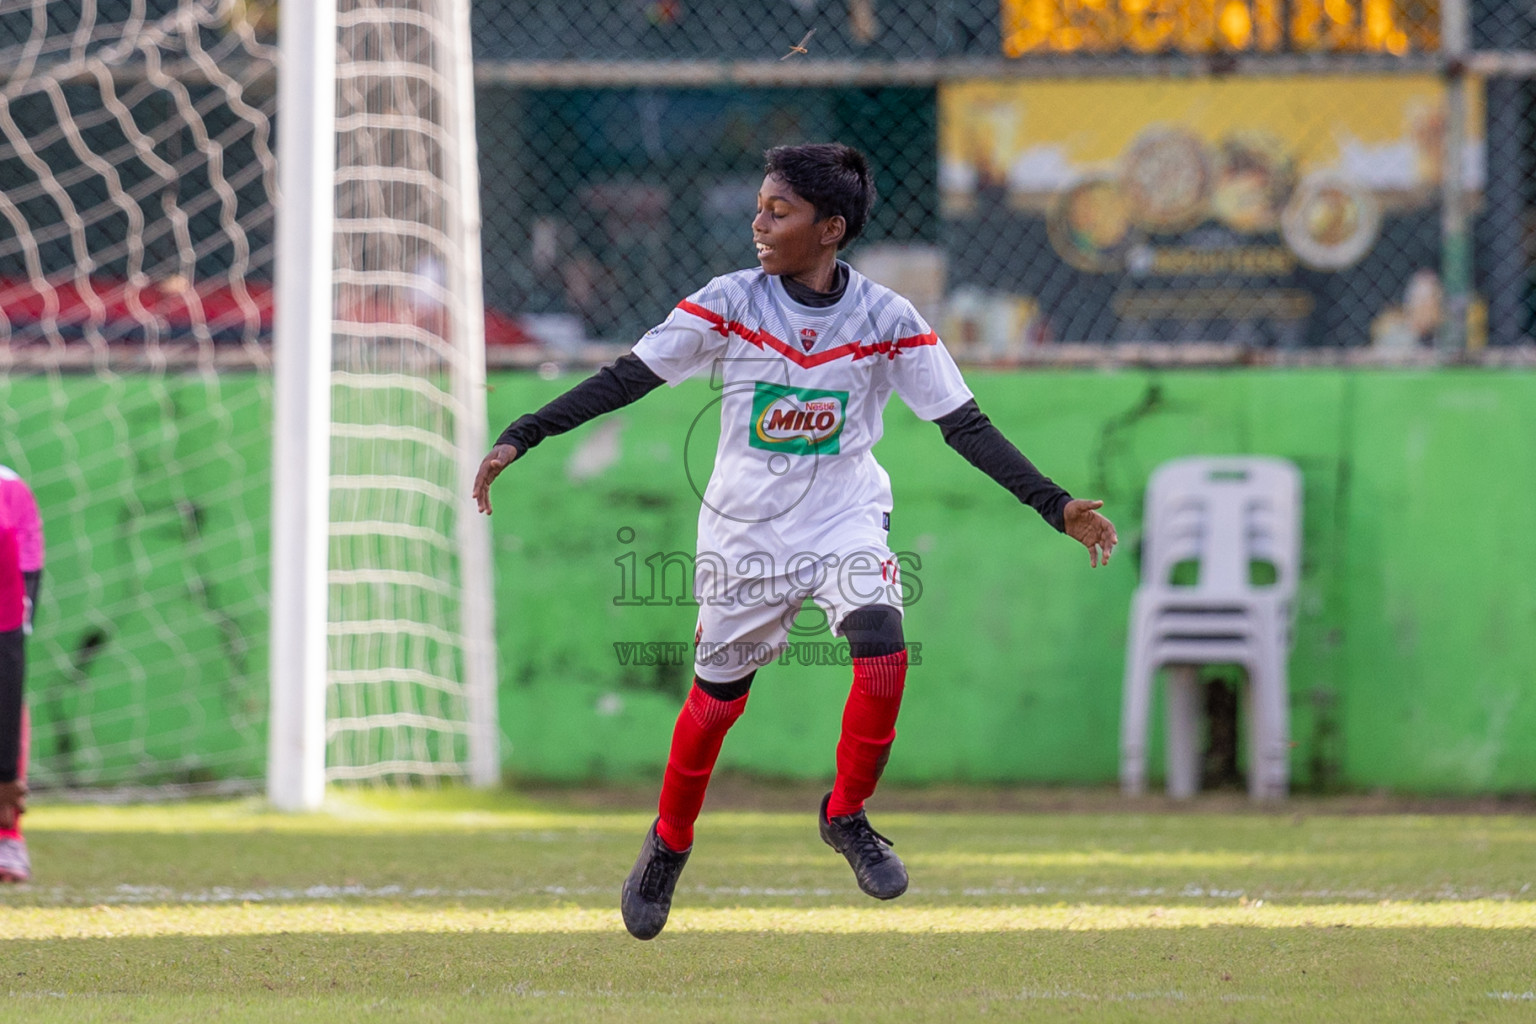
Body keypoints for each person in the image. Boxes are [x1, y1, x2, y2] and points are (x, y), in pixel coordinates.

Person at [473, 143, 1117, 940]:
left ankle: (846, 814)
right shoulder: (731, 301)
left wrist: (1055, 506)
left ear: (830, 229)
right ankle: (669, 843)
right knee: (713, 706)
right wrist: (523, 434)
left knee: (881, 648)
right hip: (742, 534)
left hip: (843, 517)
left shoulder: (888, 319)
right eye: (760, 207)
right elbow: (628, 375)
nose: (759, 223)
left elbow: (963, 424)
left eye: (779, 212)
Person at [0, 465, 42, 883]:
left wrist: (4, 774)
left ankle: (5, 832)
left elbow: (6, 661)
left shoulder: (5, 512)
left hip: (13, 546)